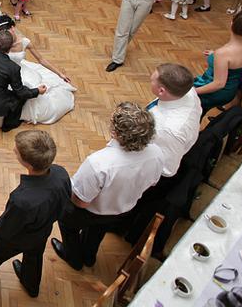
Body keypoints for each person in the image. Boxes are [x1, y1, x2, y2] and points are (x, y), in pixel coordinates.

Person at [51, 102, 164, 271]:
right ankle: (89, 256)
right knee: (98, 231)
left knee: (68, 226)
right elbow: (153, 183)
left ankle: (73, 258)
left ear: (115, 132)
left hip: (90, 211)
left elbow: (81, 202)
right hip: (121, 210)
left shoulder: (99, 163)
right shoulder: (157, 154)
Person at [0, 131, 71, 298]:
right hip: (42, 232)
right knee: (34, 258)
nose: (14, 150)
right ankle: (31, 285)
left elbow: (7, 226)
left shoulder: (22, 200)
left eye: (17, 152)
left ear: (29, 165)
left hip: (16, 238)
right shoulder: (61, 173)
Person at [0, 15, 75, 125]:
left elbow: (41, 59)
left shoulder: (25, 42)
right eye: (2, 32)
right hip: (3, 73)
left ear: (13, 27)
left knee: (24, 91)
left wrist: (60, 73)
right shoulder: (2, 42)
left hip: (18, 72)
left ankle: (17, 114)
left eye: (8, 30)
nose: (6, 33)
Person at [194, 9, 242, 115]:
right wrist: (214, 55)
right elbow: (238, 60)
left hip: (213, 91)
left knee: (196, 113)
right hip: (231, 90)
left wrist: (192, 92)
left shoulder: (223, 54)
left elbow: (218, 84)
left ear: (232, 23)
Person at [148, 64, 202, 179]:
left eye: (152, 80)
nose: (150, 81)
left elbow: (166, 169)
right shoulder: (187, 91)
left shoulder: (167, 130)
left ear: (161, 91)